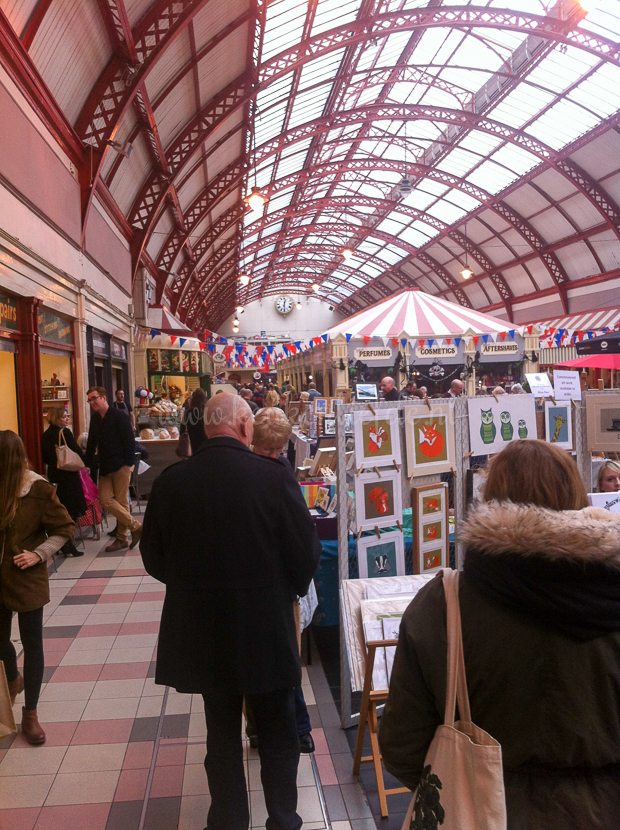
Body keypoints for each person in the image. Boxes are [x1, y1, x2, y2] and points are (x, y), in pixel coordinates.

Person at [380, 439, 620, 828]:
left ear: (490, 498)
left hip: (482, 809)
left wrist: (459, 789)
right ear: (577, 496)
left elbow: (401, 744)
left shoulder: (445, 604)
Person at [140, 393, 321, 830]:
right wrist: (287, 591)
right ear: (244, 427)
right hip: (266, 629)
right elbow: (305, 553)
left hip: (203, 632)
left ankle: (227, 819)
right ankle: (283, 818)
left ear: (205, 427)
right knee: (277, 731)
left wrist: (192, 589)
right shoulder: (274, 478)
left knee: (220, 733)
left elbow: (153, 556)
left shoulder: (172, 482)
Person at [245, 406, 316, 754]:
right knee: (260, 660)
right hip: (259, 583)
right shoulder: (251, 472)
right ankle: (260, 728)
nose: (273, 456)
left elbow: (299, 532)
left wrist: (298, 583)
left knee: (287, 661)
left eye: (278, 450)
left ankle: (298, 728)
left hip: (279, 584)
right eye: (267, 450)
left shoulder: (281, 469)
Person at [0, 431, 74, 745]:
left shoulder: (37, 489)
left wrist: (38, 554)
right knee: (0, 642)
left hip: (27, 578)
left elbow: (65, 528)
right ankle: (12, 677)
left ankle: (30, 713)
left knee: (33, 645)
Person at [85, 386, 142, 552]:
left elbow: (129, 441)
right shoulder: (95, 419)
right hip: (105, 466)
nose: (92, 402)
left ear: (103, 398)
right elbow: (91, 442)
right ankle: (136, 526)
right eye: (89, 400)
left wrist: (128, 464)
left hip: (121, 465)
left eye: (94, 398)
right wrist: (87, 463)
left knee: (122, 501)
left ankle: (121, 539)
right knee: (105, 500)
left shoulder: (119, 416)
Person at [41, 408, 86, 556]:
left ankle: (60, 542)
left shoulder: (45, 435)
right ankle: (67, 543)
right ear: (57, 418)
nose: (67, 419)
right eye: (64, 417)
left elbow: (45, 458)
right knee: (71, 511)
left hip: (54, 475)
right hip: (68, 476)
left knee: (60, 509)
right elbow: (77, 452)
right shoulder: (65, 433)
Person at [180, 387, 208, 455]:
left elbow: (182, 429)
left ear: (193, 399)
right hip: (206, 442)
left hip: (192, 441)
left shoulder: (187, 412)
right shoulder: (207, 411)